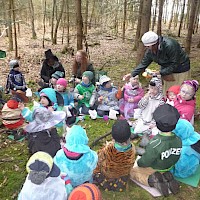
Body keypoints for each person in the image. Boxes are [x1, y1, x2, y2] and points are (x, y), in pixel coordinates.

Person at [130, 104, 182, 197]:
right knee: (161, 165)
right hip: (168, 166)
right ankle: (166, 176)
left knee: (132, 172)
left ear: (157, 124)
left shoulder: (156, 143)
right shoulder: (178, 139)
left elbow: (146, 161)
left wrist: (139, 163)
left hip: (156, 168)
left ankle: (153, 181)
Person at [123, 31, 190, 93]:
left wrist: (160, 72)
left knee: (176, 91)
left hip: (180, 69)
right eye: (147, 46)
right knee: (166, 91)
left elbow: (174, 64)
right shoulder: (150, 51)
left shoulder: (170, 45)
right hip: (166, 69)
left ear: (155, 43)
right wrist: (132, 74)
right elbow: (143, 63)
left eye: (150, 46)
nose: (148, 48)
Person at [93, 120, 135, 192]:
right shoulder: (132, 150)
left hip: (108, 174)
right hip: (123, 173)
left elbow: (99, 160)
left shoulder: (108, 149)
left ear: (113, 137)